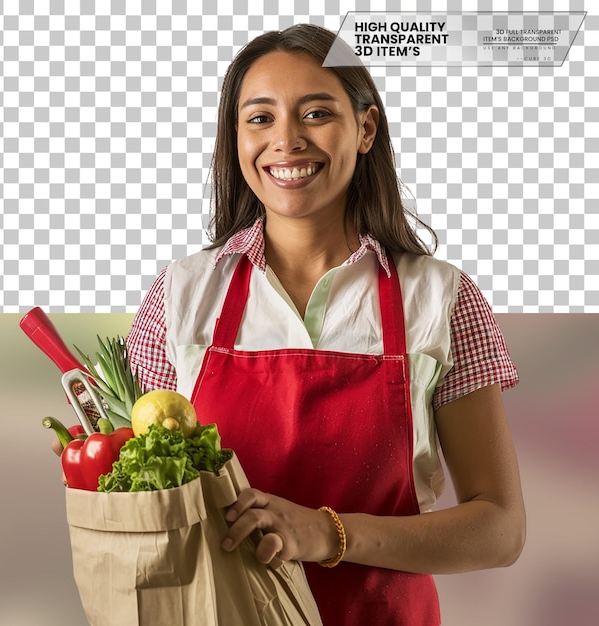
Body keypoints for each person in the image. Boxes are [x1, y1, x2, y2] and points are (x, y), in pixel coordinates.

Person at [126, 23, 526, 625]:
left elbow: (500, 528)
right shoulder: (180, 295)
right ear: (235, 137)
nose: (286, 141)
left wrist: (325, 533)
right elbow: (144, 500)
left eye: (315, 113)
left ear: (365, 130)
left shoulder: (441, 299)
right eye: (260, 118)